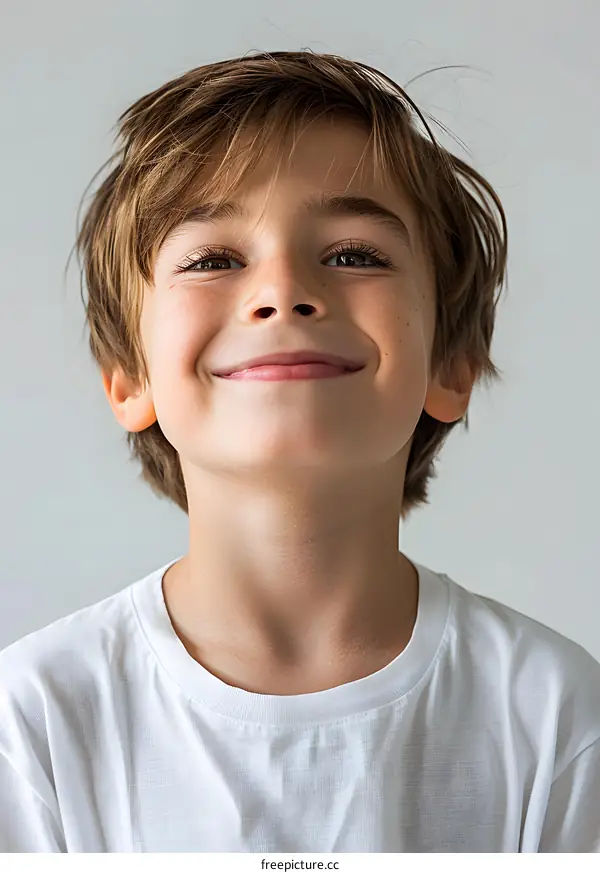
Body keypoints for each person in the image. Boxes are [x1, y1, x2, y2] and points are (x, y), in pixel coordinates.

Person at [1, 50, 599, 854]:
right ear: (129, 377)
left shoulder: (558, 717)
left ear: (452, 365)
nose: (283, 290)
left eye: (354, 254)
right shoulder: (32, 721)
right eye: (213, 258)